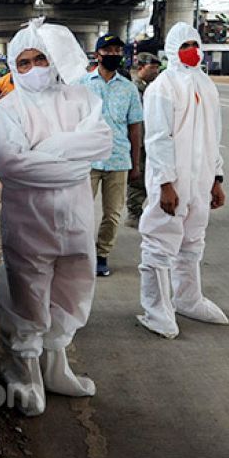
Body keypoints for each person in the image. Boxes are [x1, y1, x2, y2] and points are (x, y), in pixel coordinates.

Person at [0, 18, 113, 416]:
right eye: (23, 62)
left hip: (75, 219)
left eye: (41, 58)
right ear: (12, 66)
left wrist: (45, 150)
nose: (34, 68)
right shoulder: (10, 108)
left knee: (72, 288)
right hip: (29, 221)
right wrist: (72, 159)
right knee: (28, 293)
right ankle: (23, 371)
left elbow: (103, 141)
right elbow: (11, 164)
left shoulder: (81, 99)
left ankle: (56, 366)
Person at [137, 22, 229, 339]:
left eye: (195, 43)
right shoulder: (162, 86)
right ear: (173, 49)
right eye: (185, 44)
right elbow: (158, 139)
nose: (192, 49)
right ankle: (155, 310)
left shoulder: (206, 85)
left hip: (201, 179)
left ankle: (188, 299)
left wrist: (217, 178)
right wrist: (165, 183)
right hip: (172, 180)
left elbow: (214, 136)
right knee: (160, 241)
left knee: (192, 240)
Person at [74, 33, 143, 277]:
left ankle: (102, 254)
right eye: (108, 50)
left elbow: (135, 127)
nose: (113, 54)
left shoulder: (129, 89)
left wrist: (135, 164)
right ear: (97, 55)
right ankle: (82, 254)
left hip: (118, 159)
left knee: (113, 214)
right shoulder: (81, 85)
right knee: (80, 212)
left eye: (117, 50)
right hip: (88, 160)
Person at [126, 52, 161, 227]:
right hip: (138, 140)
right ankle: (134, 213)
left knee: (154, 175)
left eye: (157, 68)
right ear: (140, 67)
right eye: (152, 67)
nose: (156, 71)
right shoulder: (132, 88)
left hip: (153, 139)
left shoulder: (155, 87)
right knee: (137, 177)